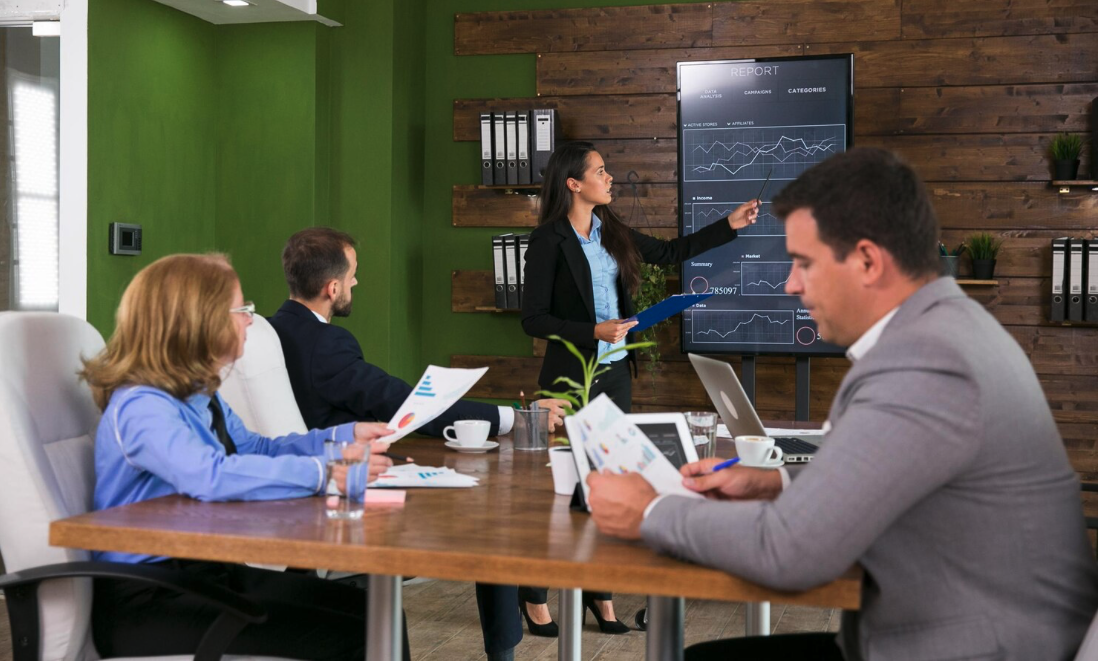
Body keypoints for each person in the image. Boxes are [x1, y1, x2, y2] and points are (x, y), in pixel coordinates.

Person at [585, 148, 1097, 660]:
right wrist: (777, 481)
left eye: (804, 264)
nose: (790, 285)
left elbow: (789, 551)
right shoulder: (943, 331)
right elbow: (895, 473)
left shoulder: (926, 362)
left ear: (869, 261)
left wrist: (650, 511)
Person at [80, 253, 408, 661]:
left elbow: (258, 449)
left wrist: (345, 437)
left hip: (208, 575)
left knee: (379, 615)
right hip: (152, 600)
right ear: (200, 321)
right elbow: (210, 476)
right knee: (358, 637)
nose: (251, 319)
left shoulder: (199, 393)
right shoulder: (142, 406)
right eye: (242, 309)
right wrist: (327, 473)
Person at [269, 227, 556, 661]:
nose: (355, 284)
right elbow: (404, 403)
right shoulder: (326, 344)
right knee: (494, 518)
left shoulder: (276, 331)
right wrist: (516, 418)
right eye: (352, 277)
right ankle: (503, 653)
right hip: (345, 488)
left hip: (324, 472)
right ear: (331, 288)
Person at [518, 141, 759, 635]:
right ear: (573, 184)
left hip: (611, 374)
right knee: (565, 490)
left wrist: (728, 226)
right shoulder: (548, 241)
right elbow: (532, 319)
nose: (610, 179)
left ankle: (600, 595)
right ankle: (533, 594)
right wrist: (593, 331)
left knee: (607, 485)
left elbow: (671, 252)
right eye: (601, 171)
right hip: (570, 376)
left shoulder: (613, 232)